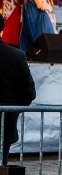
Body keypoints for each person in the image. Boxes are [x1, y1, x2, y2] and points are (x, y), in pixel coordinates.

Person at [0, 15, 37, 165]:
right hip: (5, 122)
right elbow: (29, 93)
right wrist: (14, 108)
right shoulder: (16, 56)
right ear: (2, 30)